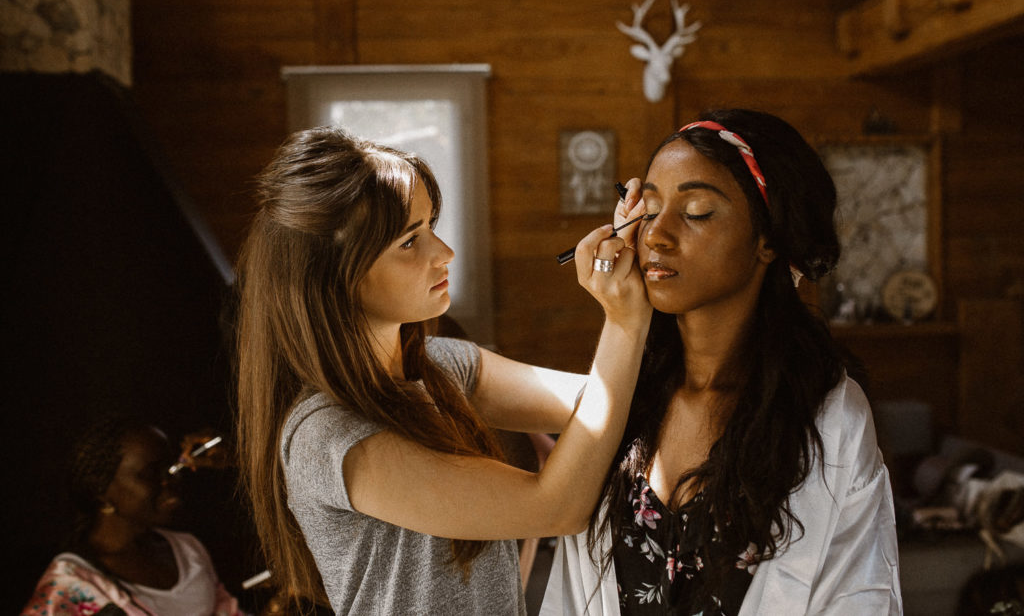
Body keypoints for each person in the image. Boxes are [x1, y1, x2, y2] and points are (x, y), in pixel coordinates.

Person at [233, 127, 651, 614]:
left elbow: (615, 401)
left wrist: (645, 269)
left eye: (431, 226)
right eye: (411, 242)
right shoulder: (330, 436)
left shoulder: (442, 367)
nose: (444, 253)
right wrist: (623, 321)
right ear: (335, 275)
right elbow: (556, 507)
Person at [541, 109, 902, 615]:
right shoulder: (625, 397)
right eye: (647, 210)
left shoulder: (829, 417)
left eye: (697, 212)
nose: (656, 236)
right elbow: (570, 596)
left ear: (769, 240)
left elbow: (859, 598)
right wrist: (622, 319)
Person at [21, 416, 243, 616]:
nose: (171, 479)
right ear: (102, 496)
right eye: (150, 473)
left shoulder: (188, 549)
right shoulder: (67, 585)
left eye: (171, 467)